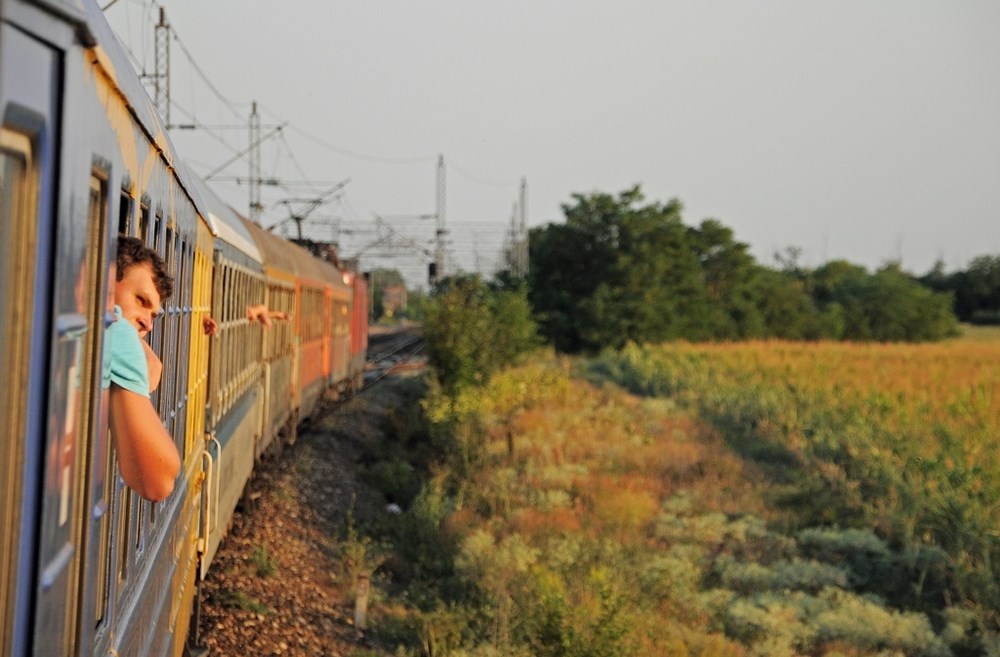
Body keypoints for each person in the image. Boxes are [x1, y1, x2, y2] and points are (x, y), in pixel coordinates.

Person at [107, 236, 180, 501]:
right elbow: (158, 482)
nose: (147, 324)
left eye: (153, 315)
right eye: (140, 300)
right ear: (107, 280)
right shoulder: (116, 329)